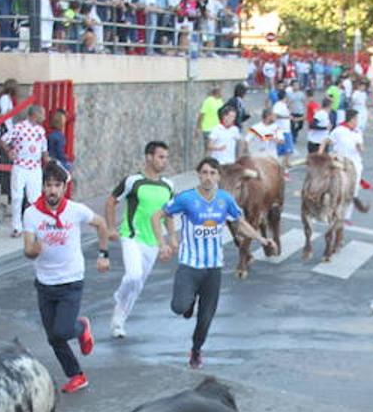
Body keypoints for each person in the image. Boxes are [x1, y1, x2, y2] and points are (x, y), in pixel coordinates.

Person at [151, 156, 271, 369]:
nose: (208, 177)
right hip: (189, 265)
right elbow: (158, 215)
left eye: (212, 173)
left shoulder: (225, 199)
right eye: (204, 173)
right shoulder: (186, 198)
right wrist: (164, 242)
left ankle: (196, 350)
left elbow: (240, 223)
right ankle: (188, 305)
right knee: (179, 306)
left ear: (218, 177)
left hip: (213, 268)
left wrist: (261, 239)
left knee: (206, 318)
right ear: (198, 175)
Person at [23, 161, 109, 393]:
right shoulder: (31, 214)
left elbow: (101, 224)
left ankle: (80, 328)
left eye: (57, 185)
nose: (52, 190)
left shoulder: (75, 210)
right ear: (42, 187)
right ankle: (77, 375)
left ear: (64, 188)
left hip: (71, 280)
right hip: (44, 283)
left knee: (62, 331)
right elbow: (28, 250)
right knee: (54, 338)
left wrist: (103, 254)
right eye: (48, 185)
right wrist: (35, 249)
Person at [104, 141, 172, 339]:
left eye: (166, 157)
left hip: (153, 242)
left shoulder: (168, 185)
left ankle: (118, 322)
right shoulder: (133, 181)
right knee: (133, 276)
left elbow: (169, 214)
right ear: (149, 157)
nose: (164, 161)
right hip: (131, 236)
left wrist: (169, 240)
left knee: (137, 285)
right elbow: (110, 201)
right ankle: (118, 297)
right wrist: (110, 228)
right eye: (160, 157)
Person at [0, 104, 49, 237]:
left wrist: (48, 161)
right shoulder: (19, 127)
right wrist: (9, 151)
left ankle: (34, 225)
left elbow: (44, 149)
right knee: (17, 197)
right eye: (42, 114)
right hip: (20, 166)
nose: (44, 117)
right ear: (35, 114)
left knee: (35, 198)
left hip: (35, 167)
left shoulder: (40, 131)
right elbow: (3, 140)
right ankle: (17, 226)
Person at [326, 108, 365, 221]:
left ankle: (346, 216)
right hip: (340, 163)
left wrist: (360, 148)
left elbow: (362, 147)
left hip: (355, 164)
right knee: (336, 188)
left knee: (353, 190)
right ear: (352, 119)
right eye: (357, 119)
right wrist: (321, 154)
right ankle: (332, 210)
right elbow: (328, 141)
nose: (358, 121)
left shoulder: (358, 132)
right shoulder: (339, 130)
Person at [196, 84, 223, 152]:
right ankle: (206, 162)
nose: (222, 93)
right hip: (208, 130)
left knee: (216, 150)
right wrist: (198, 128)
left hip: (218, 130)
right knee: (208, 149)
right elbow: (201, 114)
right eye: (220, 91)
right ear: (216, 92)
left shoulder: (220, 101)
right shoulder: (208, 101)